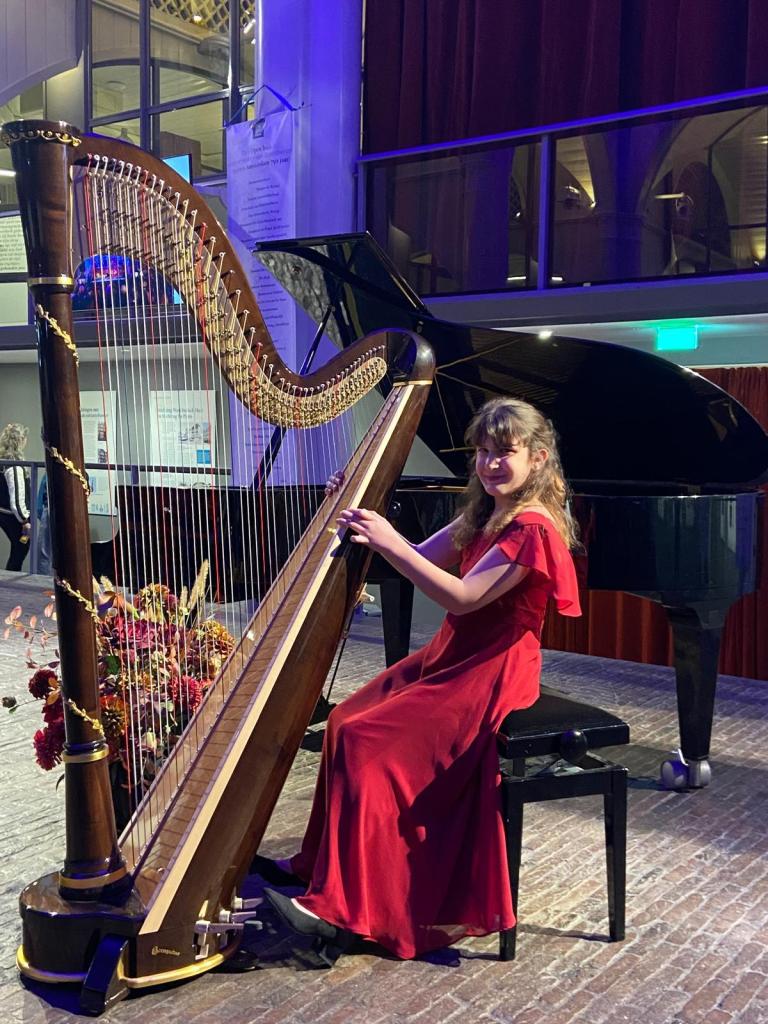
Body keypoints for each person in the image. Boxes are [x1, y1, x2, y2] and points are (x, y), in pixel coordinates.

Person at [255, 397, 582, 961]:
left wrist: (388, 539)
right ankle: (319, 866)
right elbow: (412, 557)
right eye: (482, 451)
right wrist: (352, 514)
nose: (489, 463)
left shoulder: (532, 529)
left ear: (537, 457)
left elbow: (461, 596)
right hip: (455, 653)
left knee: (367, 743)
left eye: (504, 452)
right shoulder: (485, 513)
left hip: (492, 668)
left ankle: (346, 908)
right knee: (343, 720)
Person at [0, 423, 31, 572]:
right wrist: (24, 520)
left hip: (4, 513)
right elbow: (17, 500)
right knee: (20, 549)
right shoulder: (15, 467)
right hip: (13, 516)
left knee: (18, 549)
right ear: (20, 440)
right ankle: (10, 582)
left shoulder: (3, 463)